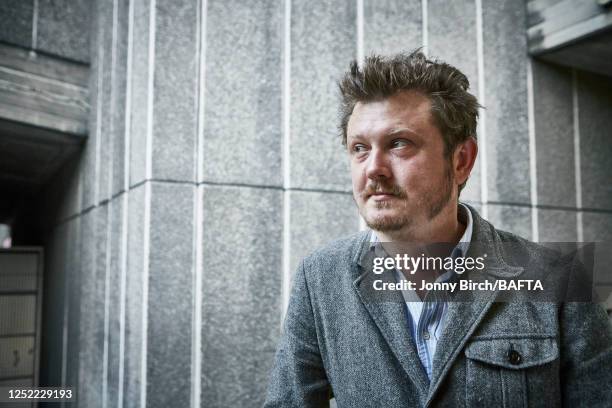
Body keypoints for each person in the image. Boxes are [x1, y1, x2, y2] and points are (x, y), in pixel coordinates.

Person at [264, 50, 612, 407]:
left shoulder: (563, 280)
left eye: (399, 143)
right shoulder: (320, 278)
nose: (373, 169)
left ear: (461, 160)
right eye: (360, 148)